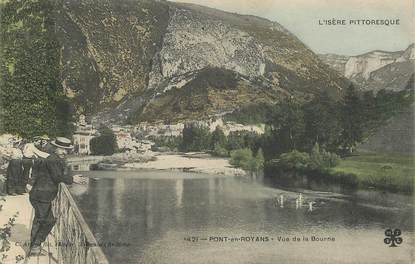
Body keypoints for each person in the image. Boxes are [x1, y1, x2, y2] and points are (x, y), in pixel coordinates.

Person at [28, 137, 87, 256]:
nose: (65, 152)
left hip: (41, 195)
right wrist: (72, 179)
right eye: (62, 149)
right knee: (48, 221)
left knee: (39, 221)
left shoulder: (55, 159)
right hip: (41, 196)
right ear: (55, 148)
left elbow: (59, 174)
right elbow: (57, 177)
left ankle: (34, 247)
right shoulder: (52, 160)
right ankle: (35, 245)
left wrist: (71, 176)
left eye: (67, 150)